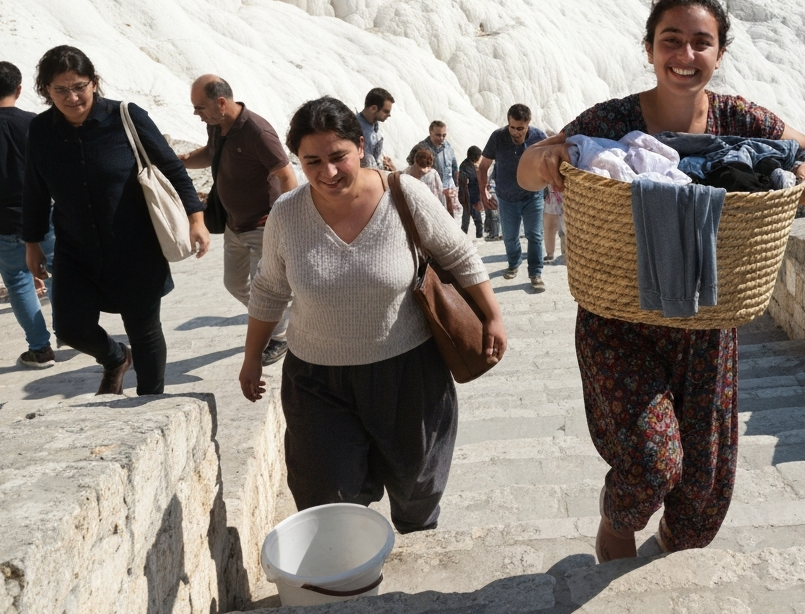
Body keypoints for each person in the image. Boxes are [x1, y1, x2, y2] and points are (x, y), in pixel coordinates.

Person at [517, 0, 805, 561]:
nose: (685, 54)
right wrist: (546, 161)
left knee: (704, 499)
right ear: (648, 48)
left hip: (705, 327)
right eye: (672, 40)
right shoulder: (613, 120)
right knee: (651, 462)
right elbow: (528, 167)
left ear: (719, 53)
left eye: (701, 43)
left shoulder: (740, 119)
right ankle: (617, 527)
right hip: (620, 318)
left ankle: (665, 556)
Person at [238, 97, 506, 534]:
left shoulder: (403, 193)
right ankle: (349, 572)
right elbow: (270, 289)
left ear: (360, 147)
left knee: (416, 489)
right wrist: (252, 356)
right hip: (316, 380)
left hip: (408, 373)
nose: (327, 172)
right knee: (326, 494)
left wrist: (493, 315)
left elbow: (458, 253)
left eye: (338, 157)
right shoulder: (287, 214)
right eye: (312, 162)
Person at [24, 46, 209, 395]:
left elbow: (171, 168)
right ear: (45, 90)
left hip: (135, 248)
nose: (72, 97)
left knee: (144, 329)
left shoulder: (126, 117)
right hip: (75, 250)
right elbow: (34, 189)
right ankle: (115, 358)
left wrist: (195, 219)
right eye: (60, 89)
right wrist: (32, 243)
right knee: (70, 327)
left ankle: (150, 402)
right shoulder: (41, 130)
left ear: (94, 83)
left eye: (79, 86)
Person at [180, 75, 298, 366]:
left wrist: (292, 222)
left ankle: (279, 336)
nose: (197, 114)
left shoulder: (257, 131)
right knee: (234, 284)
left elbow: (286, 175)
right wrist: (180, 160)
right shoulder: (217, 126)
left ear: (221, 102)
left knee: (266, 288)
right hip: (234, 225)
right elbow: (210, 153)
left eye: (200, 107)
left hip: (263, 226)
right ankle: (273, 315)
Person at [0, 62, 56, 368]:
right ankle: (71, 331)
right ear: (19, 89)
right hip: (42, 215)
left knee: (18, 281)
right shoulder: (35, 123)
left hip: (3, 223)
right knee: (59, 273)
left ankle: (40, 349)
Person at [479, 104, 547, 290]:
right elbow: (483, 166)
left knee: (534, 235)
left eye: (520, 128)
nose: (515, 132)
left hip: (532, 195)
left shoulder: (539, 137)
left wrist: (551, 187)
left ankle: (535, 273)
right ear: (508, 122)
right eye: (512, 127)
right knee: (509, 236)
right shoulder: (498, 137)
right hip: (506, 197)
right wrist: (484, 190)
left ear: (528, 124)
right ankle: (514, 263)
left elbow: (550, 161)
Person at [417, 121, 460, 218]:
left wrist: (457, 181)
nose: (441, 138)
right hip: (432, 190)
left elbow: (454, 164)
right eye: (438, 135)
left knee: (452, 218)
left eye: (444, 135)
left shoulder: (447, 145)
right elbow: (412, 165)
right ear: (430, 132)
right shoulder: (422, 147)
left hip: (449, 187)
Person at [357, 88, 395, 171]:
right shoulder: (356, 128)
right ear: (373, 108)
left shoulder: (374, 124)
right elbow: (366, 165)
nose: (389, 115)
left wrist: (386, 167)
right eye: (386, 111)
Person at [457, 146, 484, 239]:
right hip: (467, 196)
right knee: (466, 219)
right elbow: (462, 180)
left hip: (474, 196)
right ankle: (463, 237)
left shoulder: (474, 165)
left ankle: (479, 236)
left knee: (478, 218)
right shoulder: (464, 166)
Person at [543, 187, 565, 263]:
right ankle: (550, 253)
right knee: (549, 226)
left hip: (565, 192)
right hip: (550, 192)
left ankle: (565, 253)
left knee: (565, 227)